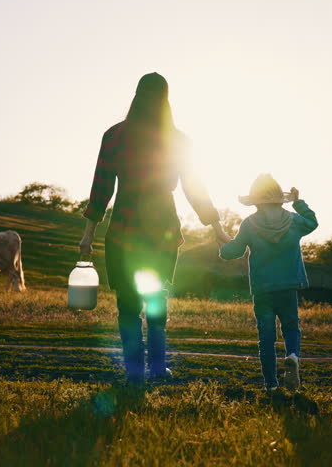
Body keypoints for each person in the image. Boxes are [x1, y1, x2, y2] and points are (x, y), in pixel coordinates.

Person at [79, 72, 231, 383]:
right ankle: (158, 369)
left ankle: (135, 373)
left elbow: (101, 188)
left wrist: (88, 235)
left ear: (136, 96)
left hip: (124, 230)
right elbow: (194, 187)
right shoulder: (178, 141)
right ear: (166, 100)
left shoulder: (115, 136)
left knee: (127, 306)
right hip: (161, 229)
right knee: (157, 300)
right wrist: (216, 226)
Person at [219, 174, 318, 391]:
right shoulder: (293, 220)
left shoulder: (249, 224)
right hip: (288, 286)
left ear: (256, 201)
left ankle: (271, 385)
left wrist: (222, 246)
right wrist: (298, 202)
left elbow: (233, 251)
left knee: (266, 337)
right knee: (291, 327)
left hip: (263, 289)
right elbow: (313, 222)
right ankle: (292, 355)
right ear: (279, 200)